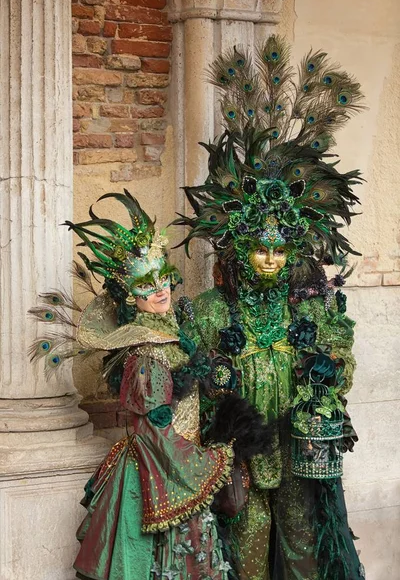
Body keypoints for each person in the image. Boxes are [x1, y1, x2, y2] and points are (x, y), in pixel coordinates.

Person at [175, 35, 365, 580]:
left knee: (304, 552)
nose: (269, 260)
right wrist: (216, 386)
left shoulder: (311, 307)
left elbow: (339, 357)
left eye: (280, 250)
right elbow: (193, 375)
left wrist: (326, 379)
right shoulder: (210, 309)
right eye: (260, 248)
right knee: (246, 553)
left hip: (299, 451)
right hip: (242, 455)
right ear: (238, 248)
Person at [29, 190, 272, 580]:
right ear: (130, 293)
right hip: (160, 469)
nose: (160, 290)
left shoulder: (169, 335)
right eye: (146, 283)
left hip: (173, 460)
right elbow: (154, 431)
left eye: (163, 278)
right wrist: (212, 461)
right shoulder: (146, 355)